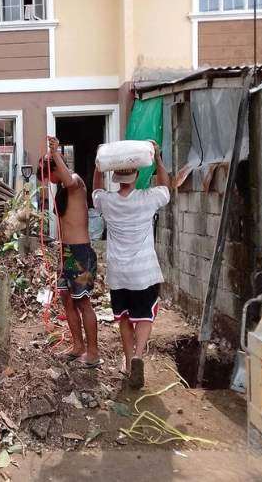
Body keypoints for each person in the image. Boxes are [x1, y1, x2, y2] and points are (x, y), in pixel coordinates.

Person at [92, 140, 171, 389]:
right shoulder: (149, 198)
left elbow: (95, 192)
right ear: (137, 176)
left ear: (115, 178)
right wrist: (157, 158)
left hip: (119, 272)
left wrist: (97, 166)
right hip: (144, 272)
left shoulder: (107, 201)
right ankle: (138, 356)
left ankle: (127, 364)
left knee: (124, 318)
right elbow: (166, 186)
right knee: (144, 316)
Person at [43, 137, 101, 368]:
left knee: (83, 302)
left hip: (80, 253)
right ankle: (78, 346)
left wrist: (55, 153)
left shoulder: (75, 181)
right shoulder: (62, 189)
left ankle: (94, 352)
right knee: (67, 299)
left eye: (50, 175)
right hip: (65, 251)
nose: (49, 180)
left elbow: (67, 178)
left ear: (57, 169)